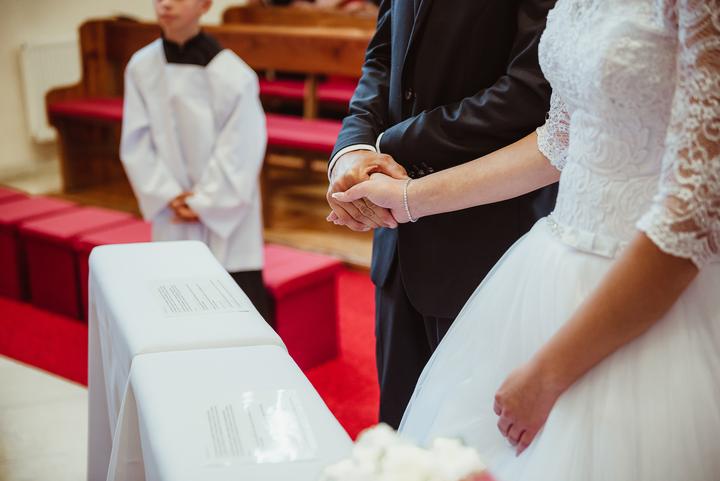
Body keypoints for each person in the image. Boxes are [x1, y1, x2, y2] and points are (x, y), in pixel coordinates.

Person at [332, 0, 720, 479]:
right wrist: (406, 199)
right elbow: (558, 142)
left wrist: (550, 372)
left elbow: (693, 215)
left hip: (644, 286)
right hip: (546, 273)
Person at [326, 0, 558, 428]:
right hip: (396, 251)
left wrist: (390, 146)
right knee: (399, 428)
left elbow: (531, 90)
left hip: (486, 242)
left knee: (467, 437)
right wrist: (352, 150)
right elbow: (381, 57)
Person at [120, 0, 269, 319]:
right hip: (172, 207)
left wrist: (205, 202)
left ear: (205, 4)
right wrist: (167, 194)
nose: (166, 4)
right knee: (175, 297)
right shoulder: (141, 67)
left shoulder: (233, 74)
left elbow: (242, 146)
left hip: (226, 211)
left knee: (236, 310)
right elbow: (136, 139)